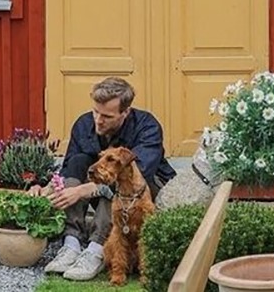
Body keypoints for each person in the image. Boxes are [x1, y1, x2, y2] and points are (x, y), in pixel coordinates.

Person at [35, 77, 176, 281]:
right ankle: (71, 243)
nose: (98, 120)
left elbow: (140, 174)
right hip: (104, 189)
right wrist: (45, 187)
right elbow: (67, 169)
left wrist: (86, 190)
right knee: (77, 162)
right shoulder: (83, 124)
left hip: (144, 190)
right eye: (96, 112)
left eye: (107, 116)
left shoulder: (147, 126)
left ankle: (96, 248)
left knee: (121, 183)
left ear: (125, 112)